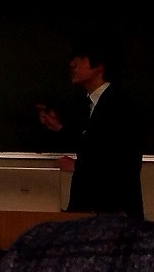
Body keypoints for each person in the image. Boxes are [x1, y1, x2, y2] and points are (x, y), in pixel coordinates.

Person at [37, 32, 144, 220]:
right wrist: (60, 128)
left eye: (80, 58)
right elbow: (91, 143)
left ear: (100, 65)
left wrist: (77, 167)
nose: (72, 64)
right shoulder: (88, 104)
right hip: (86, 214)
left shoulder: (121, 105)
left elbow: (124, 164)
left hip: (112, 216)